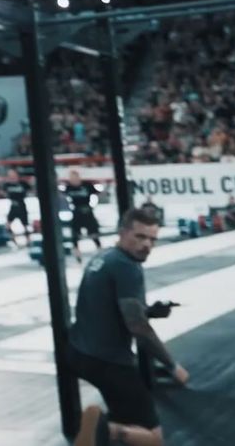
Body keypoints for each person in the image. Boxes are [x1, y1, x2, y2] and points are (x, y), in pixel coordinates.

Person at [69, 208, 186, 446]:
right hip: (109, 362)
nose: (147, 245)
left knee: (128, 416)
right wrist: (172, 366)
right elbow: (137, 327)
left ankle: (102, 428)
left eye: (152, 239)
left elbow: (114, 308)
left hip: (79, 352)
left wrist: (151, 311)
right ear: (122, 233)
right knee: (154, 439)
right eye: (140, 237)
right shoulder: (127, 266)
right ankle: (103, 429)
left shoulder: (104, 257)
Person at [63, 170, 103, 262]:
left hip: (87, 211)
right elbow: (61, 194)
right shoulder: (68, 187)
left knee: (93, 233)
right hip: (76, 212)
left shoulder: (86, 185)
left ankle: (100, 251)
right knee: (75, 234)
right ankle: (78, 255)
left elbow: (98, 192)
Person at [1, 168, 32, 248]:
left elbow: (29, 190)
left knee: (25, 225)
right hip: (13, 206)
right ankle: (14, 240)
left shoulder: (22, 183)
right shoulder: (7, 185)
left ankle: (28, 241)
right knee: (8, 224)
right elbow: (3, 192)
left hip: (21, 205)